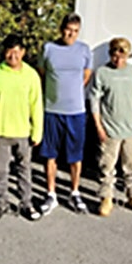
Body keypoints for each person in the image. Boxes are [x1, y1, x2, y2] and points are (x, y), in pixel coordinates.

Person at [0, 34, 45, 221]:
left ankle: (26, 204)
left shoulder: (31, 74)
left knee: (24, 170)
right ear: (4, 52)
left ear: (23, 52)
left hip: (23, 132)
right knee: (1, 171)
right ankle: (1, 203)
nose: (13, 55)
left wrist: (37, 131)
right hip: (1, 131)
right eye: (9, 51)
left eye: (17, 51)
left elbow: (36, 105)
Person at [89, 37, 132, 217]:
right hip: (110, 128)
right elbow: (95, 101)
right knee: (107, 166)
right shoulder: (102, 73)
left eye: (122, 56)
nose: (118, 60)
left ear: (127, 56)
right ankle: (106, 198)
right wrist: (99, 126)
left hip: (131, 127)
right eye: (115, 56)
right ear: (110, 55)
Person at [37, 13, 93, 215]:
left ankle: (75, 192)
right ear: (61, 29)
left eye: (76, 31)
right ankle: (51, 194)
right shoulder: (49, 49)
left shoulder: (84, 50)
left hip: (76, 112)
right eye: (68, 30)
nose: (71, 34)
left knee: (75, 156)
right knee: (50, 154)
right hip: (52, 110)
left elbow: (86, 75)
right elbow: (42, 72)